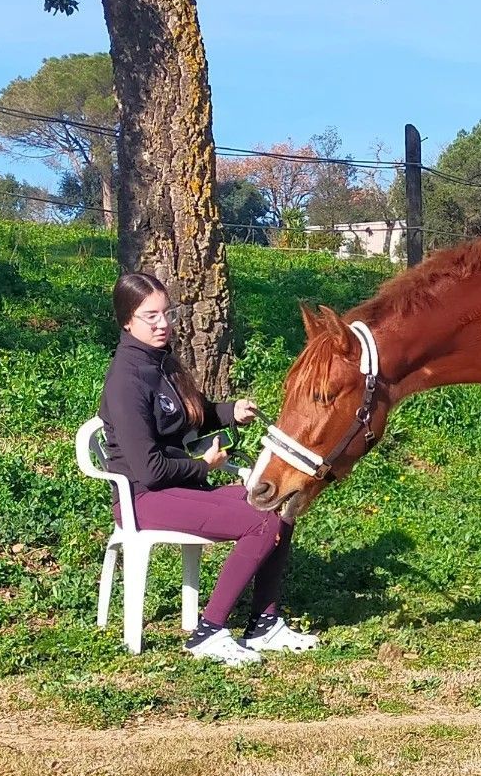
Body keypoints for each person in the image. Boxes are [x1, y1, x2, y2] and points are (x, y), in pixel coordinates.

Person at [99, 271, 317, 665]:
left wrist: (230, 412)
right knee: (259, 521)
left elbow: (193, 416)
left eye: (167, 313)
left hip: (176, 489)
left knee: (280, 507)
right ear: (127, 321)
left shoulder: (162, 364)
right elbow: (148, 469)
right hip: (144, 498)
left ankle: (264, 624)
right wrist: (204, 467)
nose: (163, 324)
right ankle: (209, 631)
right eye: (151, 316)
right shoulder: (126, 381)